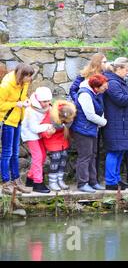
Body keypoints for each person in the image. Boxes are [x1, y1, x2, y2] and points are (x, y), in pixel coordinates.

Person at [103, 57, 128, 191]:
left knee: (120, 151)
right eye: (126, 70)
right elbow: (121, 100)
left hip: (121, 122)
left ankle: (116, 179)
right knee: (114, 151)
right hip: (114, 123)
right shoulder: (112, 83)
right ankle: (110, 182)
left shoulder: (118, 81)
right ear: (118, 69)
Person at [0, 63, 34, 195]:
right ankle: (6, 183)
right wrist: (17, 104)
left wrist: (26, 101)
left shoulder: (24, 83)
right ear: (22, 75)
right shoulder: (6, 85)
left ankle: (16, 181)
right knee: (7, 153)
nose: (30, 79)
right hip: (7, 121)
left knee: (15, 152)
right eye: (28, 76)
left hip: (18, 119)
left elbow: (22, 97)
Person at [71, 74, 109, 193]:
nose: (106, 88)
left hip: (91, 129)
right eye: (104, 86)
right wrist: (104, 122)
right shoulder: (85, 95)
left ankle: (93, 182)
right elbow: (90, 115)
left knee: (93, 155)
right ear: (96, 87)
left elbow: (99, 110)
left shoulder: (95, 93)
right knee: (85, 156)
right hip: (83, 130)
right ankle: (82, 183)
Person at [21, 87, 54, 193]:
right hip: (30, 134)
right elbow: (33, 128)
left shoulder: (45, 107)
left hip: (38, 133)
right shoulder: (31, 110)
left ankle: (30, 178)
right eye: (45, 101)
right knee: (38, 157)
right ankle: (37, 183)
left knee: (43, 156)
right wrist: (48, 126)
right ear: (38, 100)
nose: (48, 103)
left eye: (49, 101)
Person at [40, 100, 77, 191]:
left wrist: (65, 125)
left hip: (62, 140)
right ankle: (52, 181)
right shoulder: (51, 115)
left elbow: (67, 124)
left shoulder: (68, 111)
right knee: (56, 158)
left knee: (63, 157)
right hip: (52, 140)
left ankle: (60, 180)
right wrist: (49, 132)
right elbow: (43, 131)